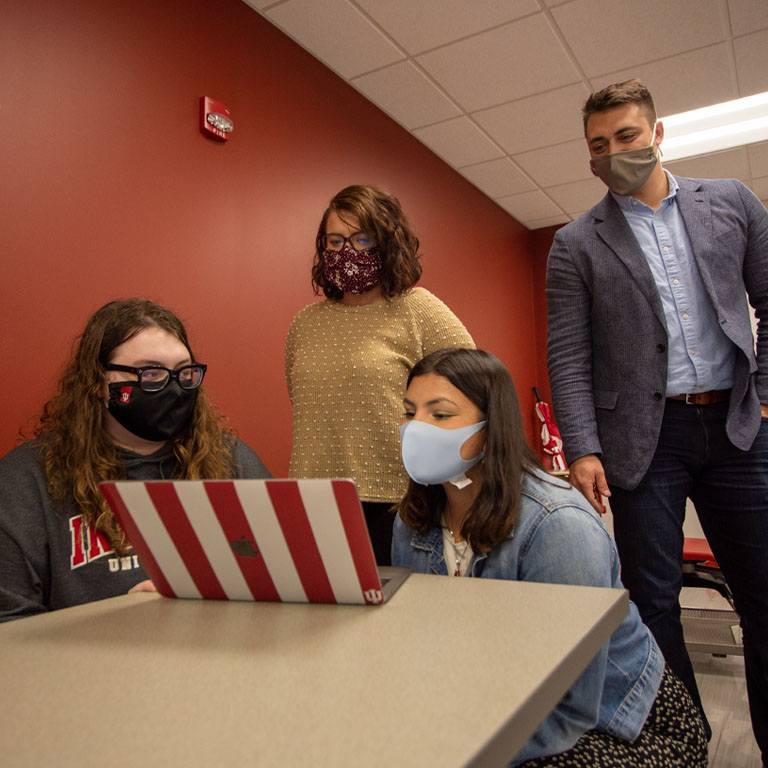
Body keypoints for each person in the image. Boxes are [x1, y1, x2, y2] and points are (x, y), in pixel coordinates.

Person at [545, 78, 768, 757]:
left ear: (658, 132)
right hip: (644, 441)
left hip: (737, 424)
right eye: (599, 145)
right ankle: (683, 740)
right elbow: (569, 352)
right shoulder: (575, 243)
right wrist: (582, 447)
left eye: (627, 137)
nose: (614, 152)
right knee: (653, 602)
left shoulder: (730, 200)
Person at [392, 348, 707, 766]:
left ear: (492, 428)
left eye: (441, 415)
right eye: (410, 413)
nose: (417, 429)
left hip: (617, 721)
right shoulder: (413, 520)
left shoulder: (558, 525)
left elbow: (572, 704)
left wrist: (449, 747)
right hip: (497, 700)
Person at [0, 299, 270, 621]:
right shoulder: (27, 480)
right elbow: (10, 626)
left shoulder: (231, 460)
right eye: (151, 373)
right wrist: (124, 620)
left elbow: (286, 576)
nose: (173, 387)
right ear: (100, 383)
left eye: (185, 372)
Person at [285, 184, 473, 565]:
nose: (346, 252)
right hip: (311, 505)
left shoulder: (418, 310)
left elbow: (476, 391)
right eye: (334, 241)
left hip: (398, 506)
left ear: (387, 243)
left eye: (361, 238)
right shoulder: (304, 323)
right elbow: (305, 401)